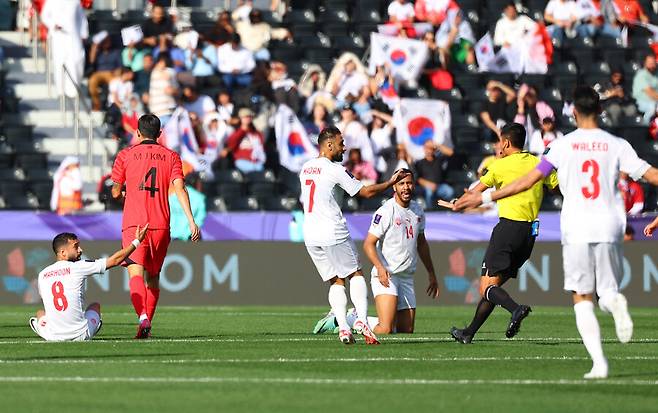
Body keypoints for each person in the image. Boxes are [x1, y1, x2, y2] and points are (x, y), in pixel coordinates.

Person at [455, 86, 658, 379]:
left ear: (573, 112)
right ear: (600, 110)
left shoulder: (562, 146)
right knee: (607, 288)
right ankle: (613, 299)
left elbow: (527, 182)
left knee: (582, 296)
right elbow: (650, 174)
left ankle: (599, 364)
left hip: (577, 224)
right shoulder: (617, 144)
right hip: (610, 223)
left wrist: (484, 198)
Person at [449, 123, 558, 345]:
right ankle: (469, 333)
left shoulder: (500, 166)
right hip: (529, 234)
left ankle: (516, 309)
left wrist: (456, 203)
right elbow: (555, 186)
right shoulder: (539, 163)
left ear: (506, 142)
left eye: (500, 141)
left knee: (485, 287)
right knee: (492, 287)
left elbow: (475, 192)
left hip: (508, 228)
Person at [299, 126, 409, 345]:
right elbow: (365, 192)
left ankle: (343, 329)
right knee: (355, 274)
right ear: (329, 145)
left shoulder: (306, 168)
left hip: (310, 233)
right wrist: (390, 183)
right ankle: (361, 320)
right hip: (332, 230)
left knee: (335, 281)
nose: (344, 147)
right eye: (341, 143)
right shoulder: (334, 169)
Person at [111, 114, 200, 339]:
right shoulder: (171, 156)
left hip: (134, 223)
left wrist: (122, 192)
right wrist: (191, 221)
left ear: (137, 133)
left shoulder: (125, 155)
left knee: (135, 273)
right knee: (153, 277)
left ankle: (143, 317)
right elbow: (180, 189)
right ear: (160, 134)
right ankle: (147, 326)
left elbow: (114, 191)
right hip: (160, 224)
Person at [30, 225, 148, 341]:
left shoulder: (43, 274)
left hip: (52, 336)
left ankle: (42, 326)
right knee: (95, 306)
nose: (80, 250)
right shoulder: (78, 267)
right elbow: (115, 260)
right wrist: (136, 242)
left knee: (40, 312)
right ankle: (94, 325)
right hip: (81, 335)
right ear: (63, 252)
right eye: (76, 247)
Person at [364, 170, 440, 334]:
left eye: (409, 183)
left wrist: (431, 273)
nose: (406, 187)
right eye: (401, 184)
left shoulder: (418, 210)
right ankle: (355, 319)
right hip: (387, 275)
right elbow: (368, 244)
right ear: (394, 187)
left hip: (406, 277)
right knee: (385, 329)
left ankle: (362, 319)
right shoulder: (386, 211)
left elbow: (421, 243)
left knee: (406, 331)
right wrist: (379, 267)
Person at [40, 0, 88, 98]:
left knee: (77, 60)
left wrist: (84, 34)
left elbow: (81, 18)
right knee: (59, 62)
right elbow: (44, 16)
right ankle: (61, 91)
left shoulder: (75, 1)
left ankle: (73, 90)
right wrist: (53, 25)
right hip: (58, 36)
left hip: (73, 36)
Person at [415, 139, 455, 206]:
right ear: (424, 149)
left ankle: (450, 209)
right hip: (426, 187)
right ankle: (429, 212)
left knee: (450, 191)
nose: (429, 150)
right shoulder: (420, 163)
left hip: (440, 186)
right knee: (429, 192)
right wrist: (428, 184)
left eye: (431, 148)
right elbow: (417, 178)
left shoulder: (439, 160)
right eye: (427, 148)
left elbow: (451, 153)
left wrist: (437, 145)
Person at [169, 173, 207, 241]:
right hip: (189, 236)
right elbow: (200, 219)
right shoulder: (199, 198)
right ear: (197, 183)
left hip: (172, 236)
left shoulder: (172, 196)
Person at [632, 54, 658, 124]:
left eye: (653, 63)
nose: (652, 65)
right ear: (645, 63)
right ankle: (646, 127)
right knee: (652, 107)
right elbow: (650, 93)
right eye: (649, 63)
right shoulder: (641, 75)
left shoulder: (656, 73)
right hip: (641, 101)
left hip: (656, 101)